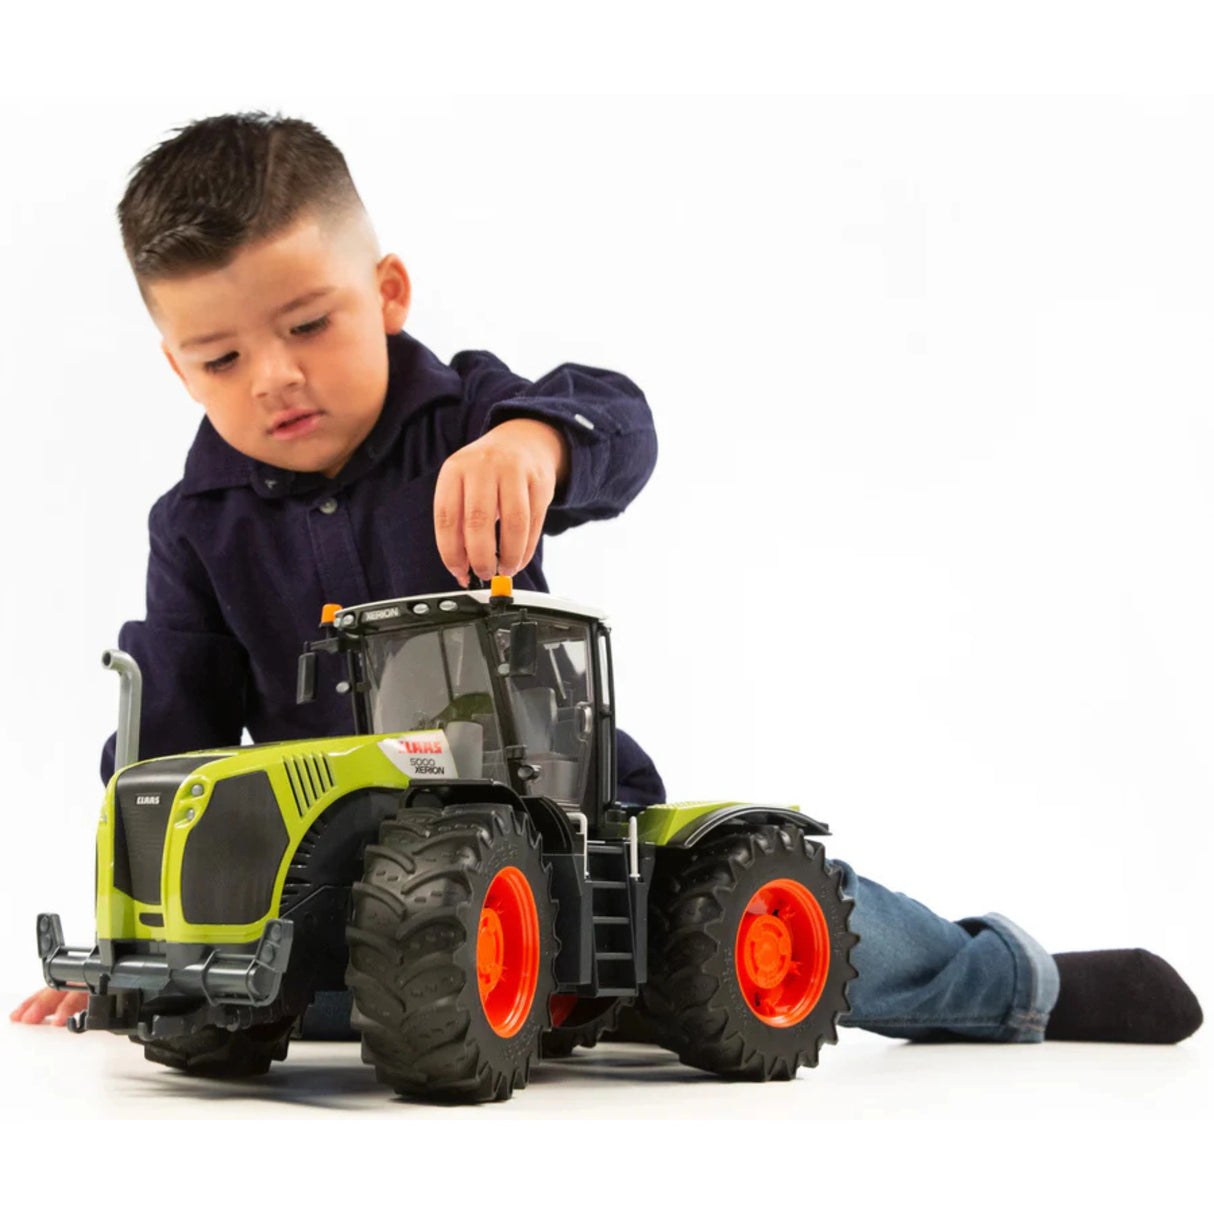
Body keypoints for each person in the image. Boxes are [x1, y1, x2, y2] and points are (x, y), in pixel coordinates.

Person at [12, 113, 1202, 1050]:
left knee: (774, 909)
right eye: (222, 356)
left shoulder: (468, 419)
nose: (275, 377)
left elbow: (617, 422)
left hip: (555, 815)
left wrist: (538, 441)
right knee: (298, 992)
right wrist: (133, 953)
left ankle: (1007, 982)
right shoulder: (196, 525)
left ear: (384, 293)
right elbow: (166, 733)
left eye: (310, 324)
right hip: (348, 871)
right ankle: (533, 1009)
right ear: (177, 367)